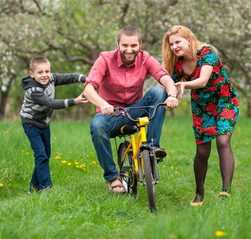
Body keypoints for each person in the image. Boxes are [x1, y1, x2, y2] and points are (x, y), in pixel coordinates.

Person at [83, 26, 179, 193]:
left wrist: (171, 95)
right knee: (97, 127)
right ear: (118, 44)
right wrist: (103, 104)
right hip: (111, 114)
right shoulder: (105, 59)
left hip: (135, 110)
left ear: (140, 44)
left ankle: (152, 148)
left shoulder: (145, 58)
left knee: (159, 91)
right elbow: (88, 89)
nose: (129, 50)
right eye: (125, 45)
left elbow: (165, 78)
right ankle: (112, 177)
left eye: (134, 46)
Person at [162, 26, 239, 205]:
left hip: (224, 101)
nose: (174, 46)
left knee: (222, 141)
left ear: (189, 40)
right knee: (202, 151)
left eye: (177, 42)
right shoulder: (178, 65)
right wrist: (170, 93)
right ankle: (199, 194)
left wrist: (183, 85)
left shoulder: (207, 52)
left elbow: (203, 80)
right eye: (171, 44)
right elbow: (168, 83)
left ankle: (225, 191)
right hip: (201, 107)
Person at [20, 56, 88, 193]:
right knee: (41, 155)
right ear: (31, 74)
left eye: (47, 71)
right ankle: (46, 189)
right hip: (31, 124)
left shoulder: (51, 78)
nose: (45, 75)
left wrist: (85, 78)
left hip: (44, 124)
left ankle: (33, 188)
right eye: (40, 72)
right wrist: (75, 101)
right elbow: (52, 103)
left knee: (46, 155)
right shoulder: (34, 91)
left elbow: (68, 77)